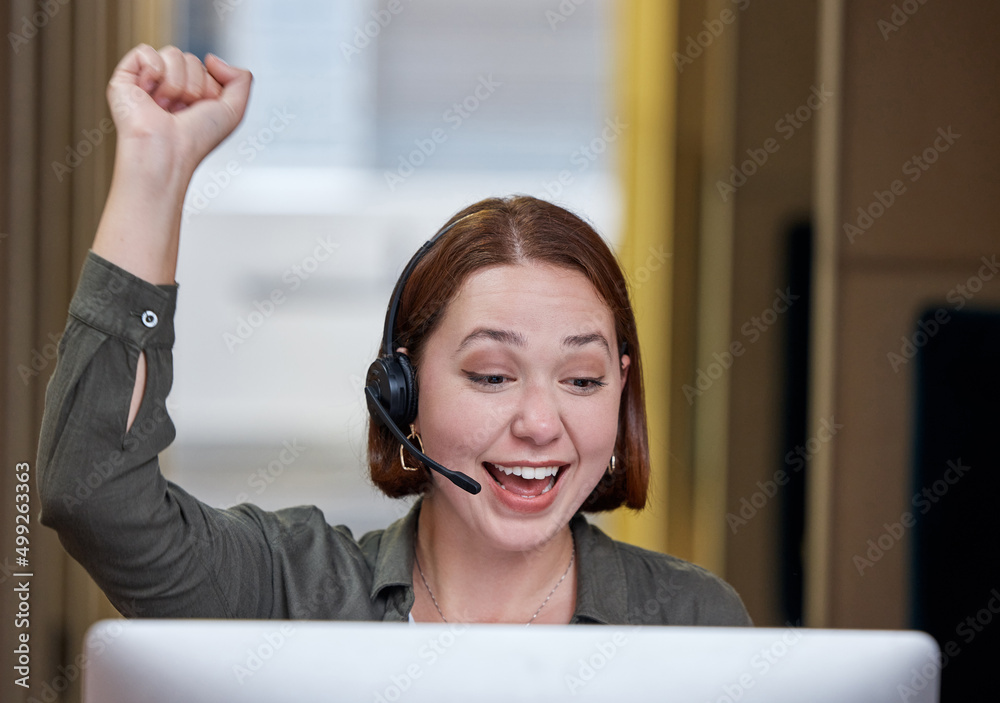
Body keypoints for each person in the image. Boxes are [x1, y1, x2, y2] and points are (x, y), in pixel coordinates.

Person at [37, 44, 751, 626]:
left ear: (622, 389)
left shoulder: (690, 620)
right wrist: (154, 170)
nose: (540, 423)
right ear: (402, 389)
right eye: (493, 375)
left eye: (583, 379)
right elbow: (94, 493)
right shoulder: (288, 592)